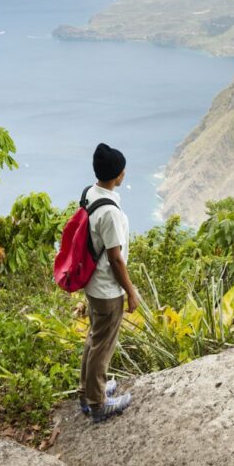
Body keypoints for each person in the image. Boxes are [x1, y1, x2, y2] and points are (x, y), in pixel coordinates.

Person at [79, 143, 141, 422]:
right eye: (122, 170)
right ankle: (98, 403)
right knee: (103, 346)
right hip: (107, 289)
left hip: (93, 283)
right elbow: (116, 260)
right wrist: (131, 291)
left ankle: (88, 391)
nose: (124, 173)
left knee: (94, 339)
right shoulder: (111, 213)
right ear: (117, 175)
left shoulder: (91, 193)